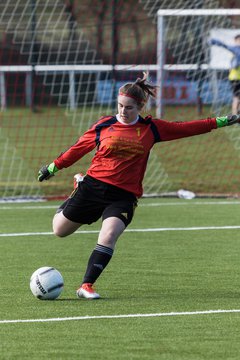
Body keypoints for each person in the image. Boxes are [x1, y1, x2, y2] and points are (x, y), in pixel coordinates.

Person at [38, 72, 240, 299]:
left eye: (129, 107)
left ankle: (86, 286)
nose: (123, 111)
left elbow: (187, 127)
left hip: (123, 195)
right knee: (59, 231)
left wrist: (224, 121)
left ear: (141, 106)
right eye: (120, 106)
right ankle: (78, 186)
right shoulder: (104, 126)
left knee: (109, 235)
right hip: (93, 186)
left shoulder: (151, 129)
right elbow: (77, 149)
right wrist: (53, 168)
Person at [210, 34, 240, 114]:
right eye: (238, 40)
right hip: (235, 78)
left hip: (235, 77)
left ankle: (236, 115)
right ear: (235, 41)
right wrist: (215, 42)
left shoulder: (235, 51)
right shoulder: (234, 50)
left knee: (237, 98)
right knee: (236, 97)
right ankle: (235, 116)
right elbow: (224, 45)